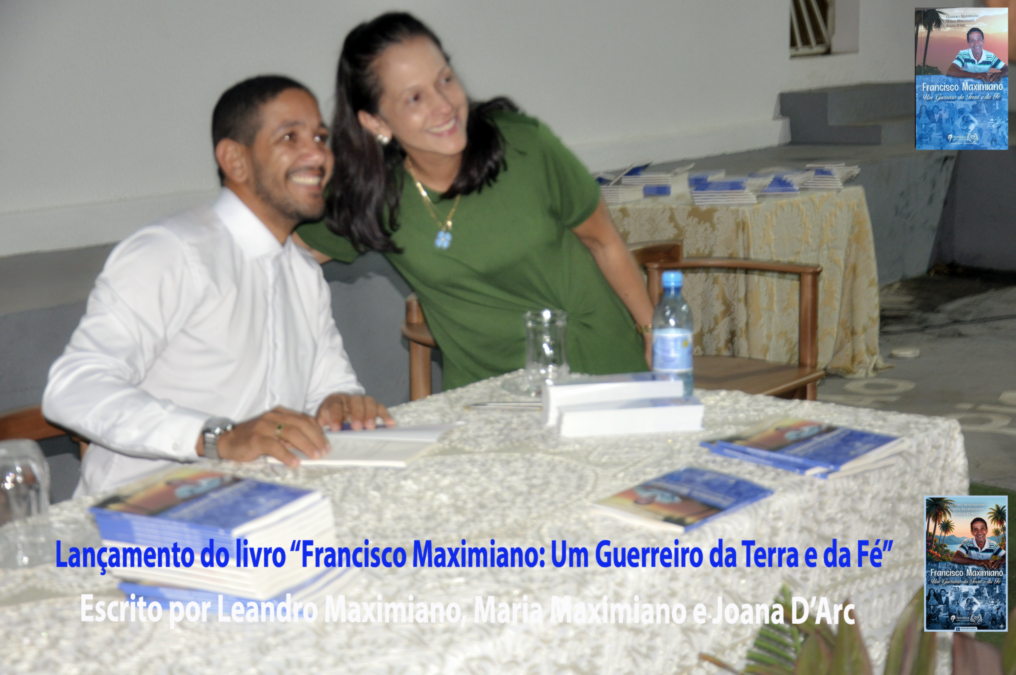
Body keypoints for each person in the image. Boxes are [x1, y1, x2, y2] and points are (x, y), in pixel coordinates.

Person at [43, 75, 394, 497]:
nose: (318, 154)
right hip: (140, 513)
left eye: (320, 137)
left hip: (259, 502)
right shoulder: (171, 251)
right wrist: (217, 438)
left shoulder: (302, 271)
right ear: (235, 160)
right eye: (290, 137)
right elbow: (74, 387)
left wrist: (341, 403)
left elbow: (331, 386)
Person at [294, 13, 653, 391]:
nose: (444, 105)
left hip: (597, 361)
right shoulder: (373, 192)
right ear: (376, 123)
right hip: (486, 393)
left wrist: (652, 332)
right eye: (415, 97)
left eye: (445, 80)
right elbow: (283, 256)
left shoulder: (525, 145)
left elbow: (603, 240)